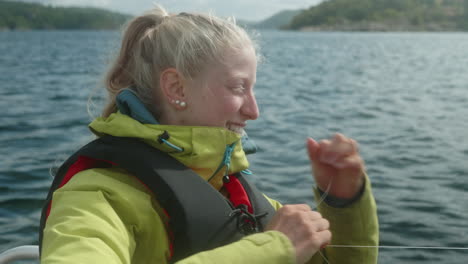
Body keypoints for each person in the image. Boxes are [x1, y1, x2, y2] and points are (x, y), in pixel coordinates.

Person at [39, 5, 378, 264]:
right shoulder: (96, 196)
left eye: (253, 90)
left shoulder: (233, 191)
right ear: (175, 87)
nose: (253, 111)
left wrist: (344, 202)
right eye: (238, 87)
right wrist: (272, 249)